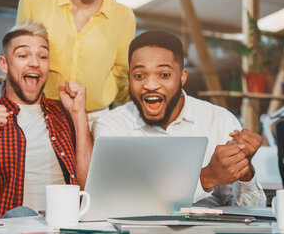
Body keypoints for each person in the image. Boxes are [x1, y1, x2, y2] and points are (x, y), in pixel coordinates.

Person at [92, 30, 266, 207]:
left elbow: (251, 212)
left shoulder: (220, 121)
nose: (150, 85)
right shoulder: (112, 126)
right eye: (139, 76)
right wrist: (206, 178)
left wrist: (244, 173)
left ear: (182, 77)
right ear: (129, 78)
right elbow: (115, 203)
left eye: (164, 75)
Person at [0, 21, 92, 219]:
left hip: (67, 222)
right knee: (21, 214)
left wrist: (79, 115)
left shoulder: (63, 112)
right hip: (14, 225)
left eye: (43, 56)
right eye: (23, 55)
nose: (35, 63)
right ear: (4, 64)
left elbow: (88, 188)